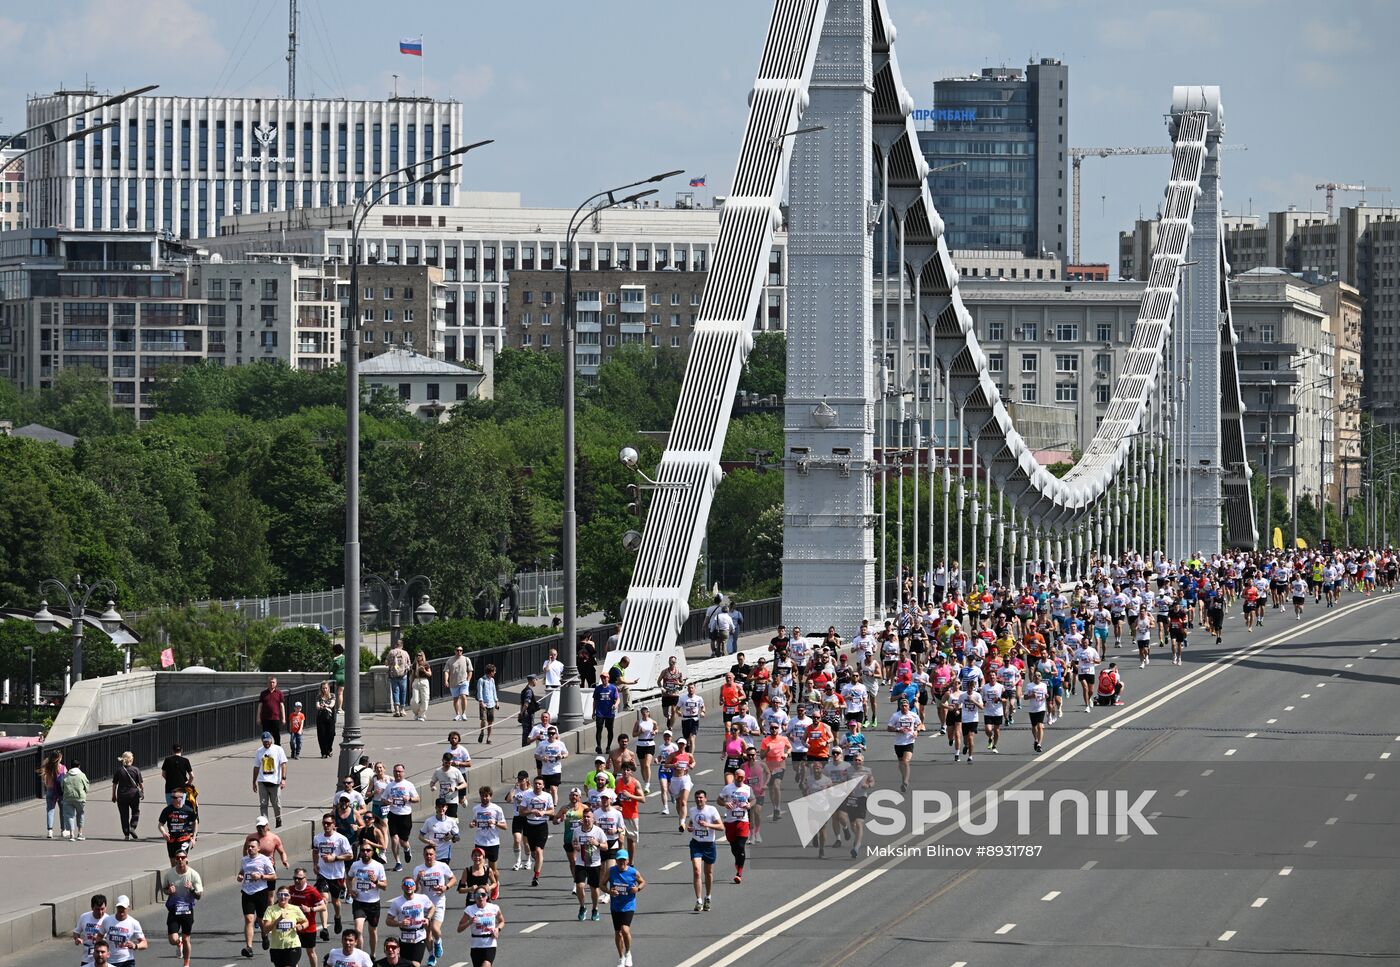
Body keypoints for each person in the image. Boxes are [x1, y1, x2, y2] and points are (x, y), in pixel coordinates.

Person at [412, 843, 455, 964]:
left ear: (435, 855)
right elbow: (414, 889)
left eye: (431, 854)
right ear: (423, 856)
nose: (429, 856)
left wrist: (445, 887)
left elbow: (453, 879)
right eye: (426, 854)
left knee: (435, 928)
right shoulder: (418, 869)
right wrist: (418, 879)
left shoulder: (442, 866)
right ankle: (431, 956)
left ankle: (438, 941)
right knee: (427, 932)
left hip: (438, 902)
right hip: (425, 904)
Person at [314, 814, 355, 937]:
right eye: (324, 823)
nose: (326, 825)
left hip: (337, 874)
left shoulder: (341, 839)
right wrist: (315, 864)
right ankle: (325, 928)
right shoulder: (317, 838)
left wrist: (335, 858)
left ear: (333, 825)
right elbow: (315, 851)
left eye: (328, 823)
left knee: (336, 901)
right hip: (322, 873)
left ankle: (337, 917)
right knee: (323, 900)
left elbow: (350, 855)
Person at [347, 842, 388, 957]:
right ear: (360, 852)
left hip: (373, 903)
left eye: (368, 850)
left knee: (372, 930)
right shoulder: (355, 865)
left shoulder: (378, 866)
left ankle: (372, 954)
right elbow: (349, 878)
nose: (365, 852)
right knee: (358, 930)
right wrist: (350, 890)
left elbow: (385, 886)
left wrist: (376, 881)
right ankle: (360, 956)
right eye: (363, 850)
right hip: (359, 902)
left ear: (372, 852)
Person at [686, 789, 724, 912]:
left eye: (701, 797)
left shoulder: (712, 810)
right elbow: (691, 823)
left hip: (709, 845)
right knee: (697, 871)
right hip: (696, 844)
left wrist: (708, 825)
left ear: (705, 799)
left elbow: (721, 827)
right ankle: (698, 900)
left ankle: (708, 897)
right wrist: (690, 827)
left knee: (708, 873)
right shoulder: (692, 811)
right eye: (697, 798)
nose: (699, 800)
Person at [606, 850, 644, 967]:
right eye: (619, 860)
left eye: (624, 860)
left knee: (625, 929)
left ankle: (628, 953)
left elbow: (642, 882)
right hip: (615, 906)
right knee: (618, 932)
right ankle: (621, 957)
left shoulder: (633, 872)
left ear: (627, 861)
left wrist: (637, 889)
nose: (622, 862)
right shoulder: (611, 871)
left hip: (628, 905)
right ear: (616, 861)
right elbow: (602, 884)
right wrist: (609, 891)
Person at [571, 807, 609, 922]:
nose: (586, 819)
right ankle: (582, 907)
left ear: (593, 819)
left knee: (594, 889)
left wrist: (596, 844)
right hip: (581, 863)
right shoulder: (577, 830)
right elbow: (574, 842)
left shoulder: (598, 831)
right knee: (580, 886)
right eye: (585, 817)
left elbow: (606, 847)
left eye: (589, 817)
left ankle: (595, 908)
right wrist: (576, 846)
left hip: (594, 863)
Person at [385, 878, 433, 967]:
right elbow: (388, 921)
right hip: (404, 937)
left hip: (419, 936)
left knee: (416, 964)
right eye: (406, 884)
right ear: (402, 887)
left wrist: (428, 918)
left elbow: (432, 907)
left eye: (411, 884)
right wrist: (399, 923)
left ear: (415, 886)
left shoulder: (422, 898)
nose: (409, 887)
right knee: (405, 964)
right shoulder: (397, 902)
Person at [518, 775, 555, 888]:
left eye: (540, 784)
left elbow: (552, 811)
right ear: (533, 784)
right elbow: (521, 812)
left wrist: (544, 813)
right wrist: (530, 811)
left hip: (542, 826)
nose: (537, 785)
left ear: (543, 786)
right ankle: (537, 862)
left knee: (539, 851)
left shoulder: (547, 796)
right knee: (533, 852)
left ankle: (536, 876)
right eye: (536, 783)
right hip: (530, 826)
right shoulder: (527, 796)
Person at [383, 764, 421, 872]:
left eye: (400, 771)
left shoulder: (409, 785)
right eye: (396, 771)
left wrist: (409, 799)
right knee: (394, 839)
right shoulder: (390, 786)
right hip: (393, 815)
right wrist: (387, 801)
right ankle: (398, 862)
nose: (398, 773)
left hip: (405, 815)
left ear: (403, 773)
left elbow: (417, 798)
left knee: (403, 841)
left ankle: (407, 849)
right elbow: (383, 799)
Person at [469, 786, 507, 888]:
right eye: (482, 796)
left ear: (490, 796)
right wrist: (472, 824)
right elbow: (474, 821)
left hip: (493, 842)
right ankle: (483, 888)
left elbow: (505, 826)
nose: (484, 798)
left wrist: (495, 823)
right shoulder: (476, 809)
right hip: (480, 842)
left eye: (486, 796)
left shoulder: (497, 809)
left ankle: (495, 885)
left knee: (492, 868)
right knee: (480, 867)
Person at [287, 869, 328, 963]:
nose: (297, 880)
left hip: (309, 927)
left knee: (311, 952)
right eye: (295, 878)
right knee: (293, 953)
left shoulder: (312, 891)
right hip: (294, 927)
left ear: (305, 879)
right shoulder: (290, 889)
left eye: (299, 878)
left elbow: (323, 907)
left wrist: (310, 909)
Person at [261, 886, 309, 967]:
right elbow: (265, 929)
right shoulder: (270, 909)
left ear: (289, 896)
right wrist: (278, 920)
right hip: (277, 947)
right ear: (277, 895)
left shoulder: (295, 909)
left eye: (285, 895)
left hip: (293, 945)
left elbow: (306, 922)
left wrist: (301, 926)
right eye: (280, 894)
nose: (283, 897)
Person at [455, 888, 503, 967]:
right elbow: (459, 929)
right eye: (477, 895)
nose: (480, 897)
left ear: (487, 896)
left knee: (486, 965)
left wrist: (497, 929)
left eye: (483, 895)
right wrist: (469, 922)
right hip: (476, 945)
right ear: (474, 897)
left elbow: (502, 921)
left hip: (490, 944)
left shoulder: (494, 908)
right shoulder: (470, 910)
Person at [99, 895, 147, 967]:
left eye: (123, 908)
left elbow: (144, 943)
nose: (121, 910)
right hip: (110, 960)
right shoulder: (107, 920)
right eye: (119, 907)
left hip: (127, 961)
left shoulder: (134, 923)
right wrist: (100, 951)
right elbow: (99, 936)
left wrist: (135, 946)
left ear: (128, 907)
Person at [254, 732, 289, 827]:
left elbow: (283, 764)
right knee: (263, 804)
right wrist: (254, 781)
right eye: (264, 742)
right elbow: (256, 767)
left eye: (268, 741)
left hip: (275, 782)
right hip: (262, 781)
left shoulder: (278, 749)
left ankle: (278, 819)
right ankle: (265, 824)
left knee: (276, 804)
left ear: (271, 740)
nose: (266, 743)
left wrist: (283, 779)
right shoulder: (259, 751)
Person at [112, 751, 144, 841]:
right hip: (133, 794)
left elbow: (114, 784)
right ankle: (132, 827)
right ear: (131, 760)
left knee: (124, 815)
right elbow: (141, 783)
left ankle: (126, 834)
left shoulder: (119, 770)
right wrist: (142, 792)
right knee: (135, 812)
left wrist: (113, 795)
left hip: (122, 795)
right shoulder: (136, 770)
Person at [159, 789, 199, 860]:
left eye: (175, 798)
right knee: (173, 862)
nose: (172, 799)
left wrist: (193, 838)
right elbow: (160, 824)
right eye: (172, 797)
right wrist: (164, 832)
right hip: (171, 839)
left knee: (181, 859)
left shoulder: (188, 810)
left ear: (181, 798)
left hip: (184, 838)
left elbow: (195, 822)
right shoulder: (167, 810)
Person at [61, 757, 91, 841]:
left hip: (68, 797)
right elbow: (87, 786)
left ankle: (71, 834)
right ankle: (80, 833)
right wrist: (85, 792)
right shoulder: (82, 775)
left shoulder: (66, 775)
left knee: (69, 815)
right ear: (79, 766)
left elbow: (62, 786)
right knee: (80, 814)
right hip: (80, 798)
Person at [74, 894, 108, 967]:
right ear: (92, 907)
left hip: (103, 958)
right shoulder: (84, 917)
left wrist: (100, 938)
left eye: (102, 909)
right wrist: (77, 939)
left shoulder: (108, 920)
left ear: (106, 907)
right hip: (87, 958)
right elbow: (76, 932)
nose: (100, 912)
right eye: (97, 909)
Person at [446, 647, 475, 722]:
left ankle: (464, 713)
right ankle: (457, 714)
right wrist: (446, 680)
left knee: (463, 696)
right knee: (455, 699)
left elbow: (470, 671)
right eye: (457, 650)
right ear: (455, 651)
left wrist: (468, 680)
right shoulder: (450, 660)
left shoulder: (466, 659)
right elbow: (446, 671)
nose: (459, 652)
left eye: (461, 650)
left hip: (464, 681)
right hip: (453, 682)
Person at [593, 674, 620, 754]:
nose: (604, 679)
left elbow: (618, 699)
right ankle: (599, 746)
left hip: (609, 712)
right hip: (600, 712)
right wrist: (593, 712)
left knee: (610, 729)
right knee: (599, 729)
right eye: (602, 678)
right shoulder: (598, 688)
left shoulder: (613, 688)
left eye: (605, 678)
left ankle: (608, 746)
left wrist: (615, 705)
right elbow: (595, 701)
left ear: (608, 678)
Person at [259, 677, 289, 745]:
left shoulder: (279, 693)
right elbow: (260, 706)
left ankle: (277, 749)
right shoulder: (263, 693)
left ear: (276, 683)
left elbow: (282, 706)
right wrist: (258, 717)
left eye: (273, 682)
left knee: (276, 735)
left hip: (275, 718)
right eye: (270, 682)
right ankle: (267, 750)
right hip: (265, 718)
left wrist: (283, 718)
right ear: (267, 683)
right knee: (266, 735)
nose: (271, 684)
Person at [386, 640, 412, 718]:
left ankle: (396, 710)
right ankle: (402, 710)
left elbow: (386, 663)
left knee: (395, 692)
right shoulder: (405, 653)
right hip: (403, 675)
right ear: (402, 645)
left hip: (393, 675)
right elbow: (409, 664)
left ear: (395, 645)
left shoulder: (391, 652)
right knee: (403, 692)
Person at [475, 665, 499, 745]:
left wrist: (496, 701)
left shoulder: (492, 680)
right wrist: (481, 701)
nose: (495, 673)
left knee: (490, 722)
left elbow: (494, 691)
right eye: (494, 671)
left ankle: (488, 738)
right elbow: (480, 691)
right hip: (484, 703)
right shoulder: (481, 680)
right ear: (491, 672)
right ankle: (482, 732)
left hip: (491, 703)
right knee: (483, 720)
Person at [316, 683, 338, 758]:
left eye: (326, 688)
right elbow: (317, 706)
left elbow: (332, 704)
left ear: (328, 688)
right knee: (321, 735)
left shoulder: (332, 695)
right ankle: (324, 752)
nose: (324, 690)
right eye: (323, 688)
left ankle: (329, 749)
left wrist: (326, 706)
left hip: (330, 717)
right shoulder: (319, 696)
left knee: (331, 734)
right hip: (321, 717)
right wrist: (321, 707)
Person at [410, 651, 433, 722]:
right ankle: (417, 713)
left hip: (424, 681)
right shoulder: (414, 664)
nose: (418, 657)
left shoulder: (426, 664)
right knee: (415, 700)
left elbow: (430, 674)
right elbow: (412, 675)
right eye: (417, 655)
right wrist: (411, 683)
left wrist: (424, 671)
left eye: (419, 655)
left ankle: (421, 715)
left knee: (425, 699)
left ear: (422, 656)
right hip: (416, 681)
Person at [330, 645, 348, 711]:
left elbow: (332, 668)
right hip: (343, 677)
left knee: (333, 693)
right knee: (340, 693)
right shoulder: (345, 658)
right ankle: (340, 708)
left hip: (336, 676)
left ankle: (332, 707)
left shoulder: (335, 659)